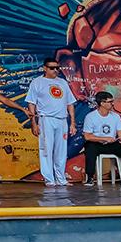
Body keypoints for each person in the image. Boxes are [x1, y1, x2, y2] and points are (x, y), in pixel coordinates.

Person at [24, 59, 77, 187]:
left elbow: (70, 103)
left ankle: (61, 179)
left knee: (61, 151)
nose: (55, 70)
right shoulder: (37, 82)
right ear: (45, 68)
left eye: (57, 68)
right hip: (46, 119)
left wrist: (72, 123)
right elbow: (31, 103)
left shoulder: (62, 82)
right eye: (52, 68)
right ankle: (49, 179)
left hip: (62, 119)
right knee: (46, 150)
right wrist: (34, 123)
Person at [81, 91, 121, 185]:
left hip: (112, 144)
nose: (112, 104)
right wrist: (104, 139)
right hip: (97, 143)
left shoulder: (116, 116)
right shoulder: (90, 117)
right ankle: (90, 177)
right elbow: (87, 136)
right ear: (102, 103)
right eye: (110, 102)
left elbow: (120, 133)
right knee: (90, 149)